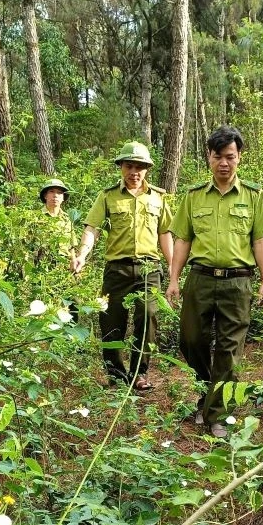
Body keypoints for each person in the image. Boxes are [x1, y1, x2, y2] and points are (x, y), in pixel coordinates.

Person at [166, 126, 263, 438]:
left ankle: (216, 414)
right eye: (218, 157)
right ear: (209, 158)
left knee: (228, 349)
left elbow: (260, 241)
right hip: (199, 279)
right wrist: (173, 279)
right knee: (190, 340)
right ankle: (208, 393)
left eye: (230, 156)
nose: (224, 163)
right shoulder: (193, 197)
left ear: (239, 157)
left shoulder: (253, 197)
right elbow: (183, 240)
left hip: (238, 284)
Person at [72, 141, 173, 390]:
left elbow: (165, 233)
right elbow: (92, 228)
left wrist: (174, 269)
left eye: (139, 167)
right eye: (129, 166)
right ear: (121, 167)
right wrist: (82, 254)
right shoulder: (107, 196)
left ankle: (139, 373)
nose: (134, 172)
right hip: (116, 270)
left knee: (148, 317)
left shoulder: (158, 198)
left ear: (147, 169)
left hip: (149, 270)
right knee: (110, 321)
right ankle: (116, 375)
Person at [38, 178, 77, 263]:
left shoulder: (67, 219)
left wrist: (73, 261)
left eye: (59, 193)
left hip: (63, 264)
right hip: (42, 264)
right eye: (51, 191)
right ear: (45, 196)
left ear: (63, 197)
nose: (55, 195)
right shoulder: (37, 217)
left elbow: (71, 246)